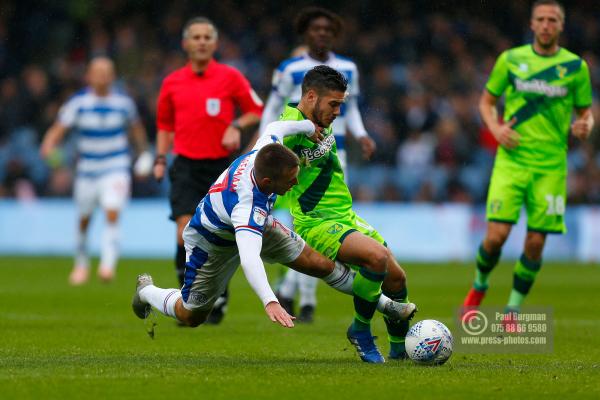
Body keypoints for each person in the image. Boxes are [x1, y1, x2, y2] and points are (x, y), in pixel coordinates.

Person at [132, 124, 416, 346]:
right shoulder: (247, 206)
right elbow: (249, 258)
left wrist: (307, 126)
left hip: (257, 226)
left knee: (316, 262)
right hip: (213, 243)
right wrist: (270, 300)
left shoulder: (266, 152)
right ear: (268, 182)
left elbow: (274, 127)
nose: (294, 183)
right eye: (290, 180)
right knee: (191, 315)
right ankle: (147, 292)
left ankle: (385, 305)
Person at [263, 65, 415, 363]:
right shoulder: (292, 124)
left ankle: (400, 352)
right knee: (377, 259)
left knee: (397, 278)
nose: (337, 112)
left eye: (340, 105)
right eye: (333, 104)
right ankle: (360, 330)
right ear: (310, 96)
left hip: (345, 214)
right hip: (317, 222)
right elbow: (270, 142)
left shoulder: (320, 118)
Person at [461, 0, 593, 326]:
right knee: (496, 237)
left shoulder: (576, 68)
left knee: (535, 243)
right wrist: (496, 128)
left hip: (551, 165)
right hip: (512, 161)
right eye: (541, 19)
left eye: (552, 20)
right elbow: (487, 101)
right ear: (532, 24)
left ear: (561, 26)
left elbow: (585, 113)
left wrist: (585, 126)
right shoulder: (512, 59)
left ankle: (512, 310)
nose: (546, 25)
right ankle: (478, 287)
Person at [258, 7, 376, 323]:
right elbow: (273, 106)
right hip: (297, 156)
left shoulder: (347, 68)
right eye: (316, 29)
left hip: (332, 155)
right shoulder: (290, 69)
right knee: (301, 224)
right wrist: (263, 146)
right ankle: (298, 292)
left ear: (334, 34)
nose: (322, 33)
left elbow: (350, 109)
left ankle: (303, 296)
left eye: (328, 29)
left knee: (322, 223)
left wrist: (362, 134)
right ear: (305, 33)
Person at [154, 17, 263, 324]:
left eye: (207, 37)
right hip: (186, 166)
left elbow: (256, 109)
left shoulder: (231, 77)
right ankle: (189, 300)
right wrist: (160, 158)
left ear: (214, 44)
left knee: (217, 235)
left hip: (220, 169)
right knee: (183, 233)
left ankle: (220, 296)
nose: (201, 42)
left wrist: (235, 124)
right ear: (185, 44)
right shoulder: (172, 82)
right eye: (196, 37)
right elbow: (164, 125)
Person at [40, 57, 150, 285]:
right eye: (97, 72)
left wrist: (143, 154)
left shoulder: (123, 103)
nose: (101, 76)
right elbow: (59, 129)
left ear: (112, 76)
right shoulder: (78, 103)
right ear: (88, 76)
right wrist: (49, 144)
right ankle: (81, 264)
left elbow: (136, 131)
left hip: (115, 166)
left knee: (112, 212)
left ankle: (107, 266)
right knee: (84, 220)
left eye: (106, 72)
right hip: (87, 170)